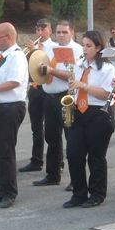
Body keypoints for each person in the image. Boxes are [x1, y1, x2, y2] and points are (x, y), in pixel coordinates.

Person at [63, 31, 115, 208]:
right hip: (78, 111)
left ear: (98, 48)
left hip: (98, 113)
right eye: (83, 45)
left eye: (88, 46)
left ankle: (97, 193)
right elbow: (73, 89)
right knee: (73, 154)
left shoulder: (107, 69)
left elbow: (107, 94)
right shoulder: (78, 66)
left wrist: (83, 85)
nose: (84, 49)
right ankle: (78, 194)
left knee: (96, 156)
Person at [0, 23, 28, 209]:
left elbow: (14, 82)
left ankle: (10, 192)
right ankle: (2, 189)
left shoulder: (16, 57)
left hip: (10, 107)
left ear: (9, 37)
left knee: (5, 150)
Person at [33, 20, 83, 187]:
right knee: (51, 137)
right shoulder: (49, 48)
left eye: (64, 32)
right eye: (58, 32)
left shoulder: (77, 50)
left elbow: (73, 76)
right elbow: (42, 69)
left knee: (72, 138)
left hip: (66, 97)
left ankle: (76, 180)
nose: (61, 35)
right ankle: (53, 175)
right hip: (49, 97)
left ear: (72, 33)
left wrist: (52, 71)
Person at [18, 18, 56, 173]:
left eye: (43, 29)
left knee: (52, 129)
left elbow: (47, 66)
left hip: (48, 88)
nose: (40, 32)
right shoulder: (34, 46)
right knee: (36, 127)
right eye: (38, 29)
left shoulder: (53, 47)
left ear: (50, 30)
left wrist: (35, 51)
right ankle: (37, 160)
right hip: (34, 88)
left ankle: (56, 163)